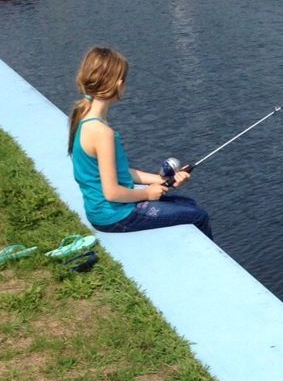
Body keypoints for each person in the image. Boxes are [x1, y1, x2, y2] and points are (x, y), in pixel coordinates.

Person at [68, 46, 212, 239]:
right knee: (199, 216)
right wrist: (147, 194)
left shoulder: (85, 118)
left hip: (102, 211)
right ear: (119, 84)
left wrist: (162, 181)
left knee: (188, 203)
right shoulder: (103, 133)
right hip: (115, 216)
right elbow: (112, 193)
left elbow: (120, 173)